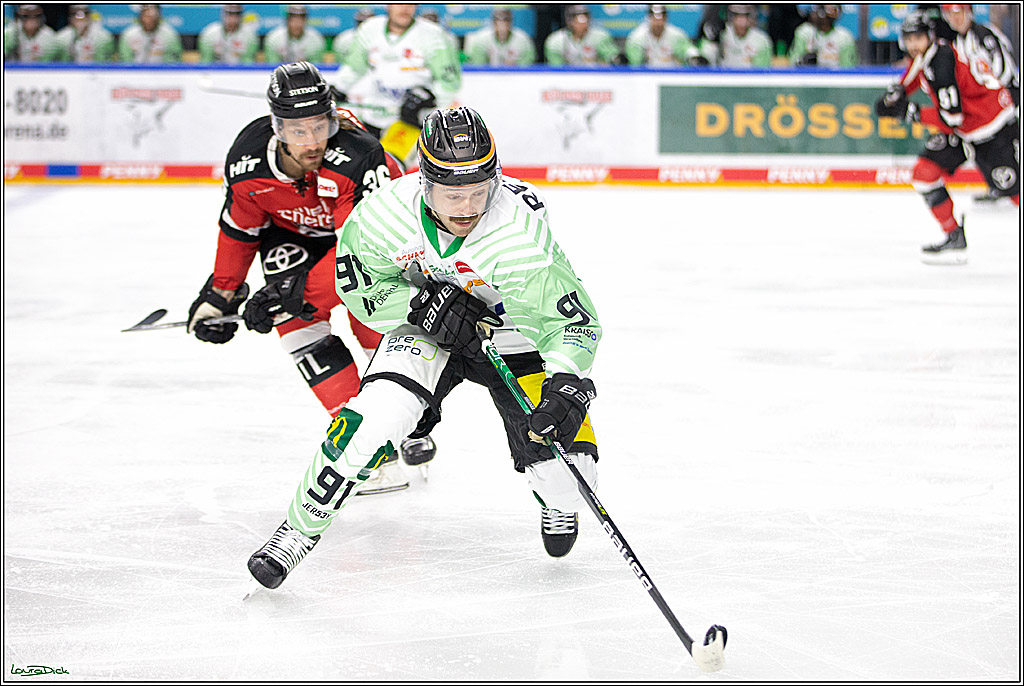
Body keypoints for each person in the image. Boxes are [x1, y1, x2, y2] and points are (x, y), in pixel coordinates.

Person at [246, 106, 602, 591]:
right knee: (371, 422)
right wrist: (419, 305)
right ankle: (297, 531)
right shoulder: (382, 215)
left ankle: (556, 502)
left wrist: (565, 382)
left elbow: (573, 321)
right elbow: (361, 293)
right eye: (451, 193)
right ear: (425, 182)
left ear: (496, 181)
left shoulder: (520, 232)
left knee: (569, 479)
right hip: (426, 330)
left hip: (513, 334)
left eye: (478, 191)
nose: (466, 208)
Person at [187, 62, 436, 494]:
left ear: (333, 118)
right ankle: (371, 452)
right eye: (298, 130)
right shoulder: (247, 159)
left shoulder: (358, 156)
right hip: (297, 236)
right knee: (295, 323)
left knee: (371, 317)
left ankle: (408, 417)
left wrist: (298, 292)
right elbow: (241, 227)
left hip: (380, 245)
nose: (312, 141)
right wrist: (221, 293)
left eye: (320, 126)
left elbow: (363, 252)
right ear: (276, 126)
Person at [874, 10, 1019, 265]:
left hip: (993, 129)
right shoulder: (927, 55)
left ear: (929, 37)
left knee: (1015, 192)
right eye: (909, 39)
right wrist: (896, 94)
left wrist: (911, 112)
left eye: (918, 38)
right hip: (967, 131)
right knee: (924, 172)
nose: (913, 44)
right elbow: (913, 76)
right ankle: (954, 235)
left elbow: (952, 118)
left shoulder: (941, 62)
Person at [330, 4, 462, 165]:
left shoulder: (433, 35)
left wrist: (430, 97)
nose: (405, 8)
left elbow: (449, 82)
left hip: (410, 120)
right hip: (374, 115)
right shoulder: (369, 29)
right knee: (359, 166)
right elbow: (354, 68)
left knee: (390, 167)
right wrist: (337, 88)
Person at [940, 3, 1020, 205]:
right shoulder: (957, 42)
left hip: (1008, 104)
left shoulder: (984, 35)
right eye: (949, 14)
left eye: (958, 12)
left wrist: (1007, 100)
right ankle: (998, 184)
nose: (954, 18)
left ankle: (1008, 186)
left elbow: (1005, 72)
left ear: (968, 12)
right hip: (989, 110)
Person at [624, 4, 700, 67]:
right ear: (649, 19)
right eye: (655, 19)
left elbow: (689, 52)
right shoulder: (637, 38)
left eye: (661, 19)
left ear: (666, 19)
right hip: (646, 75)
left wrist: (693, 57)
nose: (658, 23)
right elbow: (634, 64)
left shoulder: (676, 36)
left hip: (672, 74)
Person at [544, 5, 620, 66]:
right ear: (569, 21)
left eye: (585, 20)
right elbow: (555, 68)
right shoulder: (556, 40)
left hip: (595, 75)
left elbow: (613, 60)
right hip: (567, 76)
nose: (582, 24)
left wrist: (599, 63)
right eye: (577, 21)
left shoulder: (600, 37)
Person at [789, 4, 856, 67]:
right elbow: (792, 62)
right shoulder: (804, 32)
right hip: (808, 74)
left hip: (835, 74)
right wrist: (803, 61)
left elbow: (848, 67)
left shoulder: (844, 37)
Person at [464, 7, 536, 66]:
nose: (502, 27)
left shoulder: (523, 40)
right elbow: (477, 68)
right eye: (498, 23)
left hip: (515, 76)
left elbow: (527, 68)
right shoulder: (481, 39)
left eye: (506, 22)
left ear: (511, 23)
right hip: (487, 76)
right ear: (493, 23)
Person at [708, 4, 773, 67]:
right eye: (737, 15)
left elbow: (762, 70)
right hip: (724, 73)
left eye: (745, 15)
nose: (741, 20)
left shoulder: (761, 40)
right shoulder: (722, 35)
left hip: (749, 74)